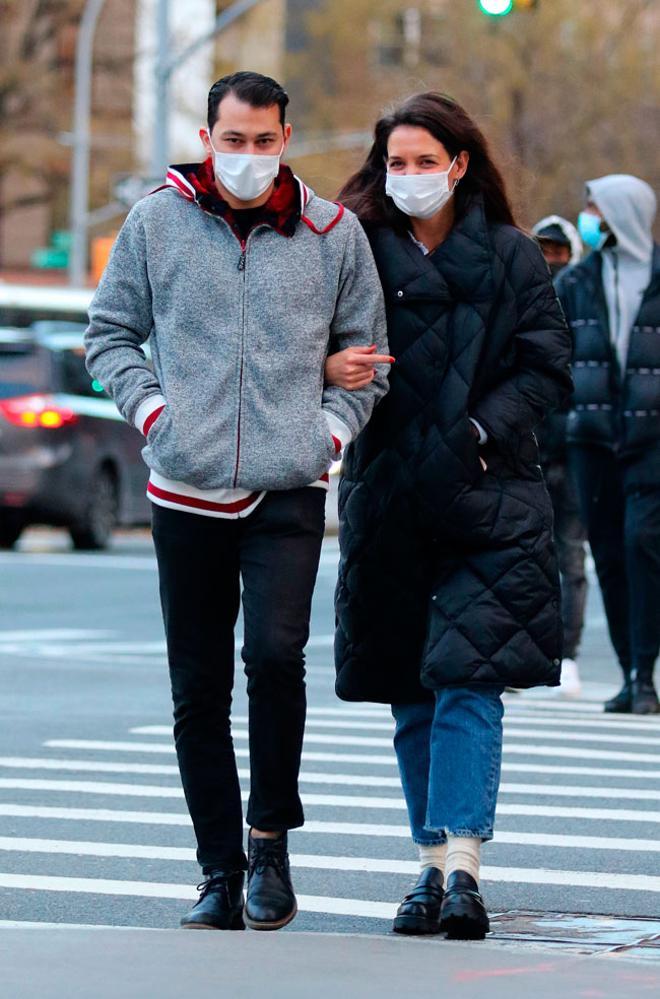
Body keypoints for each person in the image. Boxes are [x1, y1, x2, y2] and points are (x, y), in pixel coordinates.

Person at [84, 71, 389, 931]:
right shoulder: (155, 220)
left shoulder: (334, 234)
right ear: (210, 136)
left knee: (274, 658)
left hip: (288, 486)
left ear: (286, 138)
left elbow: (369, 354)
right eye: (233, 139)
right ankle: (216, 868)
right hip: (184, 487)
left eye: (263, 140)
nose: (248, 156)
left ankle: (270, 845)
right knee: (198, 685)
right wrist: (154, 414)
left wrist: (328, 431)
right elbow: (108, 332)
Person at [327, 92, 572, 940]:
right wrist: (334, 365)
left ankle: (462, 867)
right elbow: (302, 341)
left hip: (489, 497)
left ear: (460, 164)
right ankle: (428, 868)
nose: (410, 176)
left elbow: (548, 369)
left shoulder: (509, 255)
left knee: (468, 677)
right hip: (387, 493)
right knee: (409, 687)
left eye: (426, 160)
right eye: (397, 162)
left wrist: (478, 428)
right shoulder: (353, 247)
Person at [556, 174, 660, 715]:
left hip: (652, 442)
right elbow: (551, 358)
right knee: (612, 557)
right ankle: (631, 674)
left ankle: (646, 671)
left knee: (644, 546)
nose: (588, 218)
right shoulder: (576, 282)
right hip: (592, 443)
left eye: (595, 208)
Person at [531, 216, 587, 697]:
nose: (551, 262)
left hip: (569, 451)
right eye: (542, 251)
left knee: (568, 556)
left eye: (558, 252)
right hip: (525, 449)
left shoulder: (584, 302)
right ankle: (523, 654)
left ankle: (567, 654)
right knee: (520, 557)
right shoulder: (521, 297)